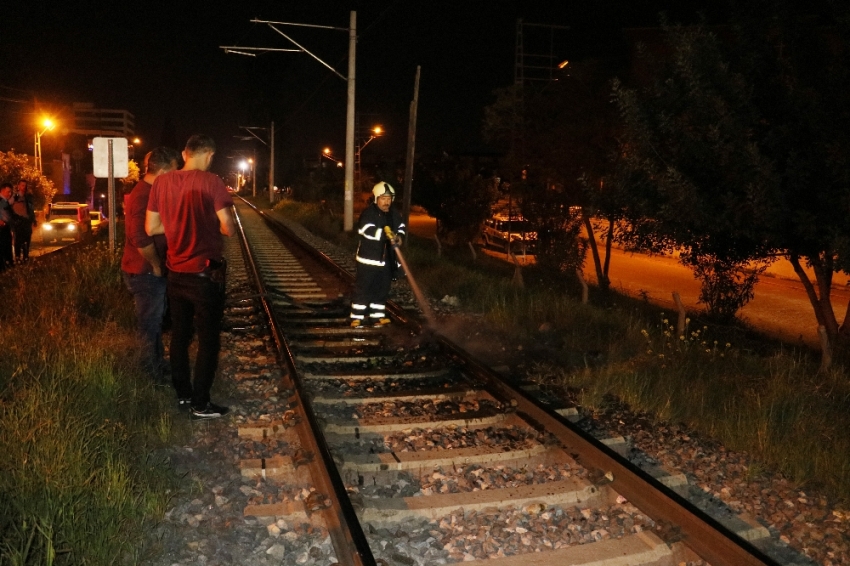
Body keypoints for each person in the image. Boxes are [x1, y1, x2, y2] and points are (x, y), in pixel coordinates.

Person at [146, 135, 236, 420]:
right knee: (209, 340)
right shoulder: (211, 182)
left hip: (176, 273)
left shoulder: (162, 182)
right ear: (208, 155)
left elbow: (151, 227)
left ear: (185, 154)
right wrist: (209, 226)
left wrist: (175, 228)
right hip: (204, 275)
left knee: (180, 335)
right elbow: (228, 228)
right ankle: (201, 403)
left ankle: (182, 394)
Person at [121, 147, 179, 387]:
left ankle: (157, 363)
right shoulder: (143, 195)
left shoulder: (151, 190)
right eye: (174, 172)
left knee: (154, 321)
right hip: (144, 271)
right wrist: (156, 265)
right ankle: (149, 375)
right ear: (164, 170)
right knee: (149, 323)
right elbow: (139, 237)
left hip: (148, 270)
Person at [350, 181, 406, 327]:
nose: (386, 202)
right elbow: (365, 230)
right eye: (383, 198)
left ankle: (377, 316)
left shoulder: (393, 214)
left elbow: (401, 227)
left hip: (387, 261)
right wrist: (383, 234)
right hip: (369, 261)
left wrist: (399, 237)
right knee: (364, 288)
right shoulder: (369, 213)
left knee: (382, 289)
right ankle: (357, 317)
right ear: (376, 199)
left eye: (389, 198)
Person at [11, 180, 37, 262]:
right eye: (22, 185)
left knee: (27, 239)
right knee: (18, 240)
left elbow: (31, 209)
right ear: (18, 186)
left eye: (25, 185)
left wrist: (33, 219)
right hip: (18, 222)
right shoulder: (14, 197)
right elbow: (8, 206)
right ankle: (18, 257)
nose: (24, 187)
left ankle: (26, 257)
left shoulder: (28, 197)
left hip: (27, 221)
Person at [0, 184, 15, 270]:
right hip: (2, 229)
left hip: (6, 228)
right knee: (3, 249)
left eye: (11, 192)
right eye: (8, 192)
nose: (10, 194)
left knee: (7, 248)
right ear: (2, 191)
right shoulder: (1, 201)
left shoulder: (5, 201)